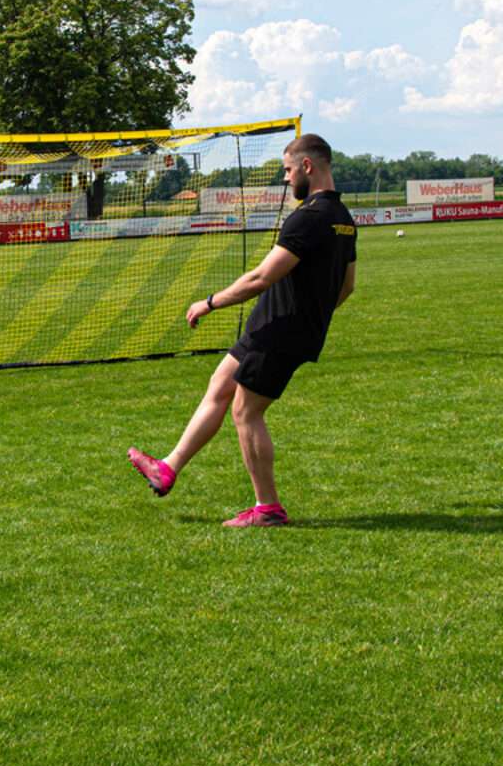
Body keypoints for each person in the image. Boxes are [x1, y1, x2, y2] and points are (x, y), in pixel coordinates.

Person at [127, 131, 357, 527]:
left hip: (279, 329)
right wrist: (314, 314)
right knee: (220, 385)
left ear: (307, 166)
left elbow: (261, 278)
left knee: (246, 412)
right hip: (281, 326)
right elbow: (347, 286)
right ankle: (168, 467)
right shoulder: (343, 220)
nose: (286, 179)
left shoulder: (309, 217)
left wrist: (210, 302)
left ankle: (267, 509)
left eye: (287, 170)